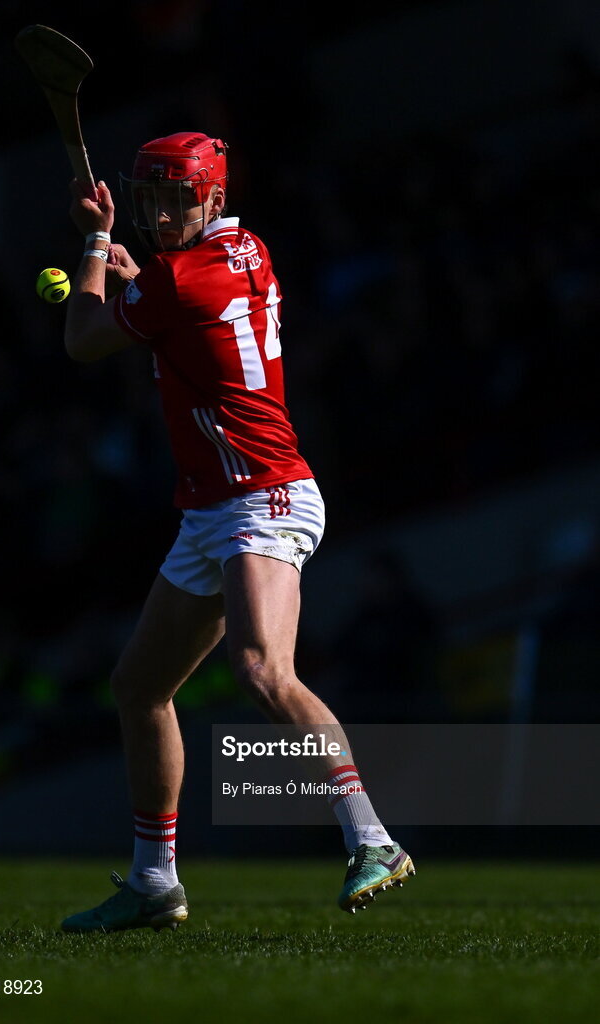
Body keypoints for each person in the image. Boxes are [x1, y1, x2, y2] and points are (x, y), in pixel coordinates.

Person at [59, 132, 415, 933]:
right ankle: (155, 881)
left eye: (174, 199)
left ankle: (374, 840)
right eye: (146, 200)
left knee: (260, 670)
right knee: (140, 688)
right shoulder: (241, 248)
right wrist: (136, 276)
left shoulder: (177, 278)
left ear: (212, 199)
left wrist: (93, 243)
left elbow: (83, 339)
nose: (157, 214)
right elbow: (173, 302)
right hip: (210, 507)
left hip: (266, 495)